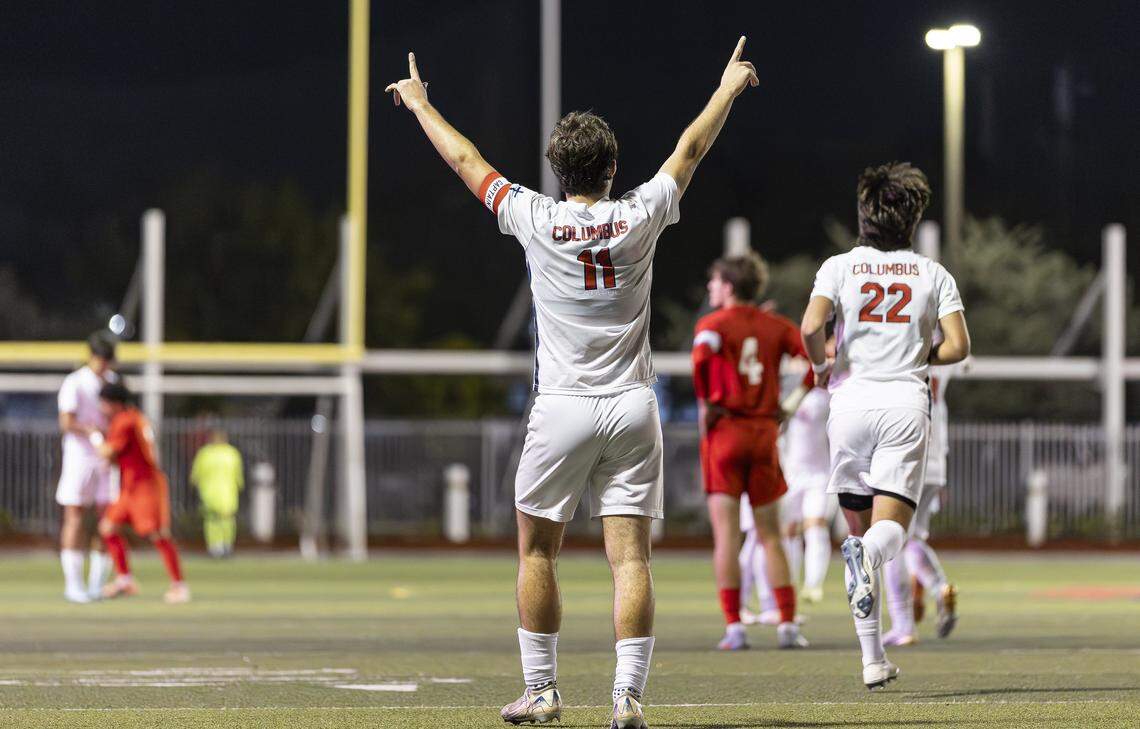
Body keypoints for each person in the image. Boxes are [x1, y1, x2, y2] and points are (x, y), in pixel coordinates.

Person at [386, 36, 758, 728]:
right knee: (630, 558)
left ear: (558, 171)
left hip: (562, 407)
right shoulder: (640, 213)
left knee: (535, 549)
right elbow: (690, 149)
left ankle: (544, 688)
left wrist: (420, 105)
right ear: (613, 167)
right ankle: (628, 697)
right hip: (631, 404)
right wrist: (728, 89)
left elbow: (467, 162)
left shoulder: (536, 216)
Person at [801, 162, 970, 690]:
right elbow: (959, 346)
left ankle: (873, 660)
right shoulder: (932, 273)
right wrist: (921, 353)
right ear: (914, 216)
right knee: (887, 535)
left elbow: (811, 326)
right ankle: (870, 554)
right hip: (903, 405)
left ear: (864, 212)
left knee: (856, 536)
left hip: (848, 406)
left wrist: (823, 366)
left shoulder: (839, 266)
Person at [691, 253, 811, 651]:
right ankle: (788, 626)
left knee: (726, 535)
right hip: (763, 433)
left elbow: (702, 357)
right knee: (771, 536)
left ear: (727, 285)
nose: (710, 288)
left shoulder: (712, 325)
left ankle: (734, 627)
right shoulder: (776, 325)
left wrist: (707, 402)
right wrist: (790, 405)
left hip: (726, 431)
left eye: (714, 282)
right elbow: (815, 363)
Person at [882, 359, 965, 645]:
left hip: (907, 452)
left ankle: (903, 624)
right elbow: (965, 362)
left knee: (892, 539)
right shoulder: (944, 348)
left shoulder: (900, 347)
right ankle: (939, 586)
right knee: (913, 537)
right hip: (936, 457)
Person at [95, 382, 190, 605]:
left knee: (157, 534)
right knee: (108, 528)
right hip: (130, 486)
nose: (101, 408)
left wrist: (94, 436)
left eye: (103, 403)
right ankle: (125, 579)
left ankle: (179, 585)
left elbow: (107, 452)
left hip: (145, 485)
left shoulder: (124, 421)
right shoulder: (134, 417)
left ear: (114, 403)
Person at [55, 331, 118, 603]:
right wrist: (90, 430)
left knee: (108, 519)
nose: (105, 366)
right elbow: (66, 422)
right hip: (80, 456)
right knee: (76, 516)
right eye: (101, 360)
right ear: (92, 357)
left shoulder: (114, 383)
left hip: (106, 458)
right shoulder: (75, 382)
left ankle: (96, 584)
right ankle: (73, 584)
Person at [780, 344, 837, 605]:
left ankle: (814, 585)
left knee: (815, 526)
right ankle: (789, 582)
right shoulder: (790, 390)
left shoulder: (828, 394)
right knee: (789, 529)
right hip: (791, 472)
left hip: (819, 473)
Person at [190, 429, 244, 558]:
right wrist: (239, 486)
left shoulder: (205, 453)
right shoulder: (232, 453)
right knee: (227, 519)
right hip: (228, 492)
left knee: (212, 520)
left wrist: (194, 484)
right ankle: (226, 544)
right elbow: (238, 475)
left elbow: (196, 474)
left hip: (209, 492)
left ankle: (216, 546)